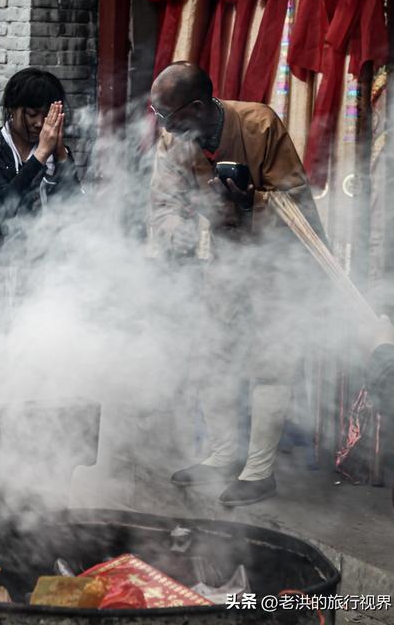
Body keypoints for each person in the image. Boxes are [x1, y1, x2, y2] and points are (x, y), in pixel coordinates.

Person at [149, 61, 323, 507]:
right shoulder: (173, 139)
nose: (163, 127)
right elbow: (163, 205)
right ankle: (223, 454)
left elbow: (295, 202)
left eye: (169, 117)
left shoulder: (259, 124)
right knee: (213, 353)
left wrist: (249, 201)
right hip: (218, 260)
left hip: (274, 258)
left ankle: (260, 471)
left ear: (198, 106)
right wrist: (186, 230)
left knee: (270, 359)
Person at [0, 67, 79, 221]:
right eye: (32, 114)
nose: (40, 123)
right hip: (1, 244)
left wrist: (61, 154)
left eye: (47, 115)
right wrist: (40, 154)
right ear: (11, 109)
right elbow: (1, 206)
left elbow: (78, 208)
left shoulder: (57, 153)